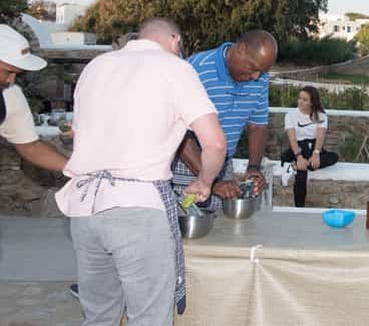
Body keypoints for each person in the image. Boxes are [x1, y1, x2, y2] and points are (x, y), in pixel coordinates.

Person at [55, 17, 227, 325]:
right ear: (175, 41)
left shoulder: (96, 67)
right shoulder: (175, 68)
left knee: (98, 317)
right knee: (149, 318)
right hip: (137, 210)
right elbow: (214, 143)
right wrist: (204, 181)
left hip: (84, 210)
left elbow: (79, 135)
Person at [172, 30, 277, 210]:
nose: (256, 77)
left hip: (222, 166)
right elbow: (179, 133)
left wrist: (253, 168)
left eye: (262, 71)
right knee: (186, 223)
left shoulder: (260, 79)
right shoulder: (196, 69)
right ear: (240, 50)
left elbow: (257, 126)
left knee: (222, 229)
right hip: (186, 165)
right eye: (253, 68)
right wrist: (211, 182)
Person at [0, 24, 67, 173]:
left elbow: (31, 148)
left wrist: (75, 170)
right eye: (8, 71)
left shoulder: (9, 95)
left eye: (17, 74)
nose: (11, 81)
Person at [280, 85, 338, 207]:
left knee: (334, 157)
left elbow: (320, 136)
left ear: (312, 102)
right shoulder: (291, 115)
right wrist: (299, 156)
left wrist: (316, 154)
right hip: (298, 148)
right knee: (303, 168)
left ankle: (293, 167)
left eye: (305, 100)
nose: (300, 102)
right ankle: (299, 208)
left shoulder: (321, 115)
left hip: (314, 147)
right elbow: (292, 138)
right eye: (299, 98)